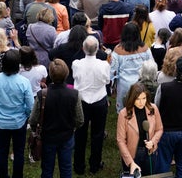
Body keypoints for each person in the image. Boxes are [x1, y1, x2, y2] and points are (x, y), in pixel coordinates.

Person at [29, 59, 83, 178]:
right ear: (66, 74)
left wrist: (37, 129)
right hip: (66, 137)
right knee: (66, 168)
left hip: (48, 137)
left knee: (47, 169)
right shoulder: (74, 94)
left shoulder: (42, 94)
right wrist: (72, 128)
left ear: (51, 75)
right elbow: (80, 119)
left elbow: (33, 119)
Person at [0, 49, 34, 178]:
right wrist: (24, 115)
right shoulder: (23, 82)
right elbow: (30, 105)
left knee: (2, 151)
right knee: (19, 152)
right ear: (18, 64)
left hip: (2, 123)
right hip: (19, 123)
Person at [72, 36, 110, 175]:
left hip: (84, 101)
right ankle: (94, 165)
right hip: (97, 101)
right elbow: (107, 81)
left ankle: (79, 166)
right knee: (97, 134)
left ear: (83, 49)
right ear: (98, 49)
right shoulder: (103, 65)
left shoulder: (77, 64)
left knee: (81, 134)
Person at [116, 82, 163, 176]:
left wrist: (153, 142)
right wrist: (130, 162)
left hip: (150, 153)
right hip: (132, 154)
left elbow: (159, 129)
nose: (141, 102)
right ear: (132, 99)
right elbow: (120, 140)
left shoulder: (153, 108)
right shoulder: (123, 114)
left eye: (144, 98)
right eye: (137, 99)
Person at [110, 22, 152, 113]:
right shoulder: (145, 48)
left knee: (124, 110)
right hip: (141, 83)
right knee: (141, 107)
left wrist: (112, 84)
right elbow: (151, 65)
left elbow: (113, 70)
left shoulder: (118, 50)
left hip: (124, 85)